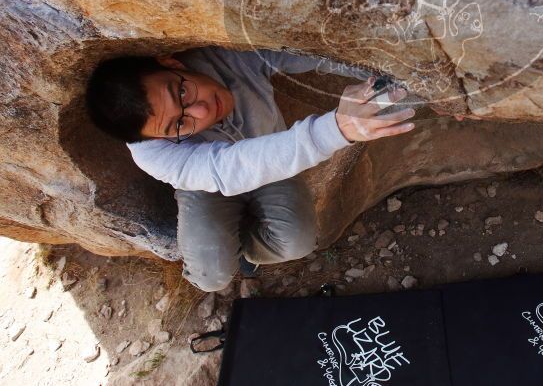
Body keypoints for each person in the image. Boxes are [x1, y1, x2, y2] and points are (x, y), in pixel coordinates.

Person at [85, 46, 416, 292]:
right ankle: (219, 252)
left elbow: (317, 52)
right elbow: (227, 169)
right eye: (180, 124)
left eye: (182, 91)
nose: (200, 110)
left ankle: (244, 250)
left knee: (296, 243)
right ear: (157, 138)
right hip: (207, 184)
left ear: (171, 63)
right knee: (212, 277)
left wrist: (410, 79)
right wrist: (337, 129)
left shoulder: (227, 58)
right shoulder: (151, 153)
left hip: (273, 162)